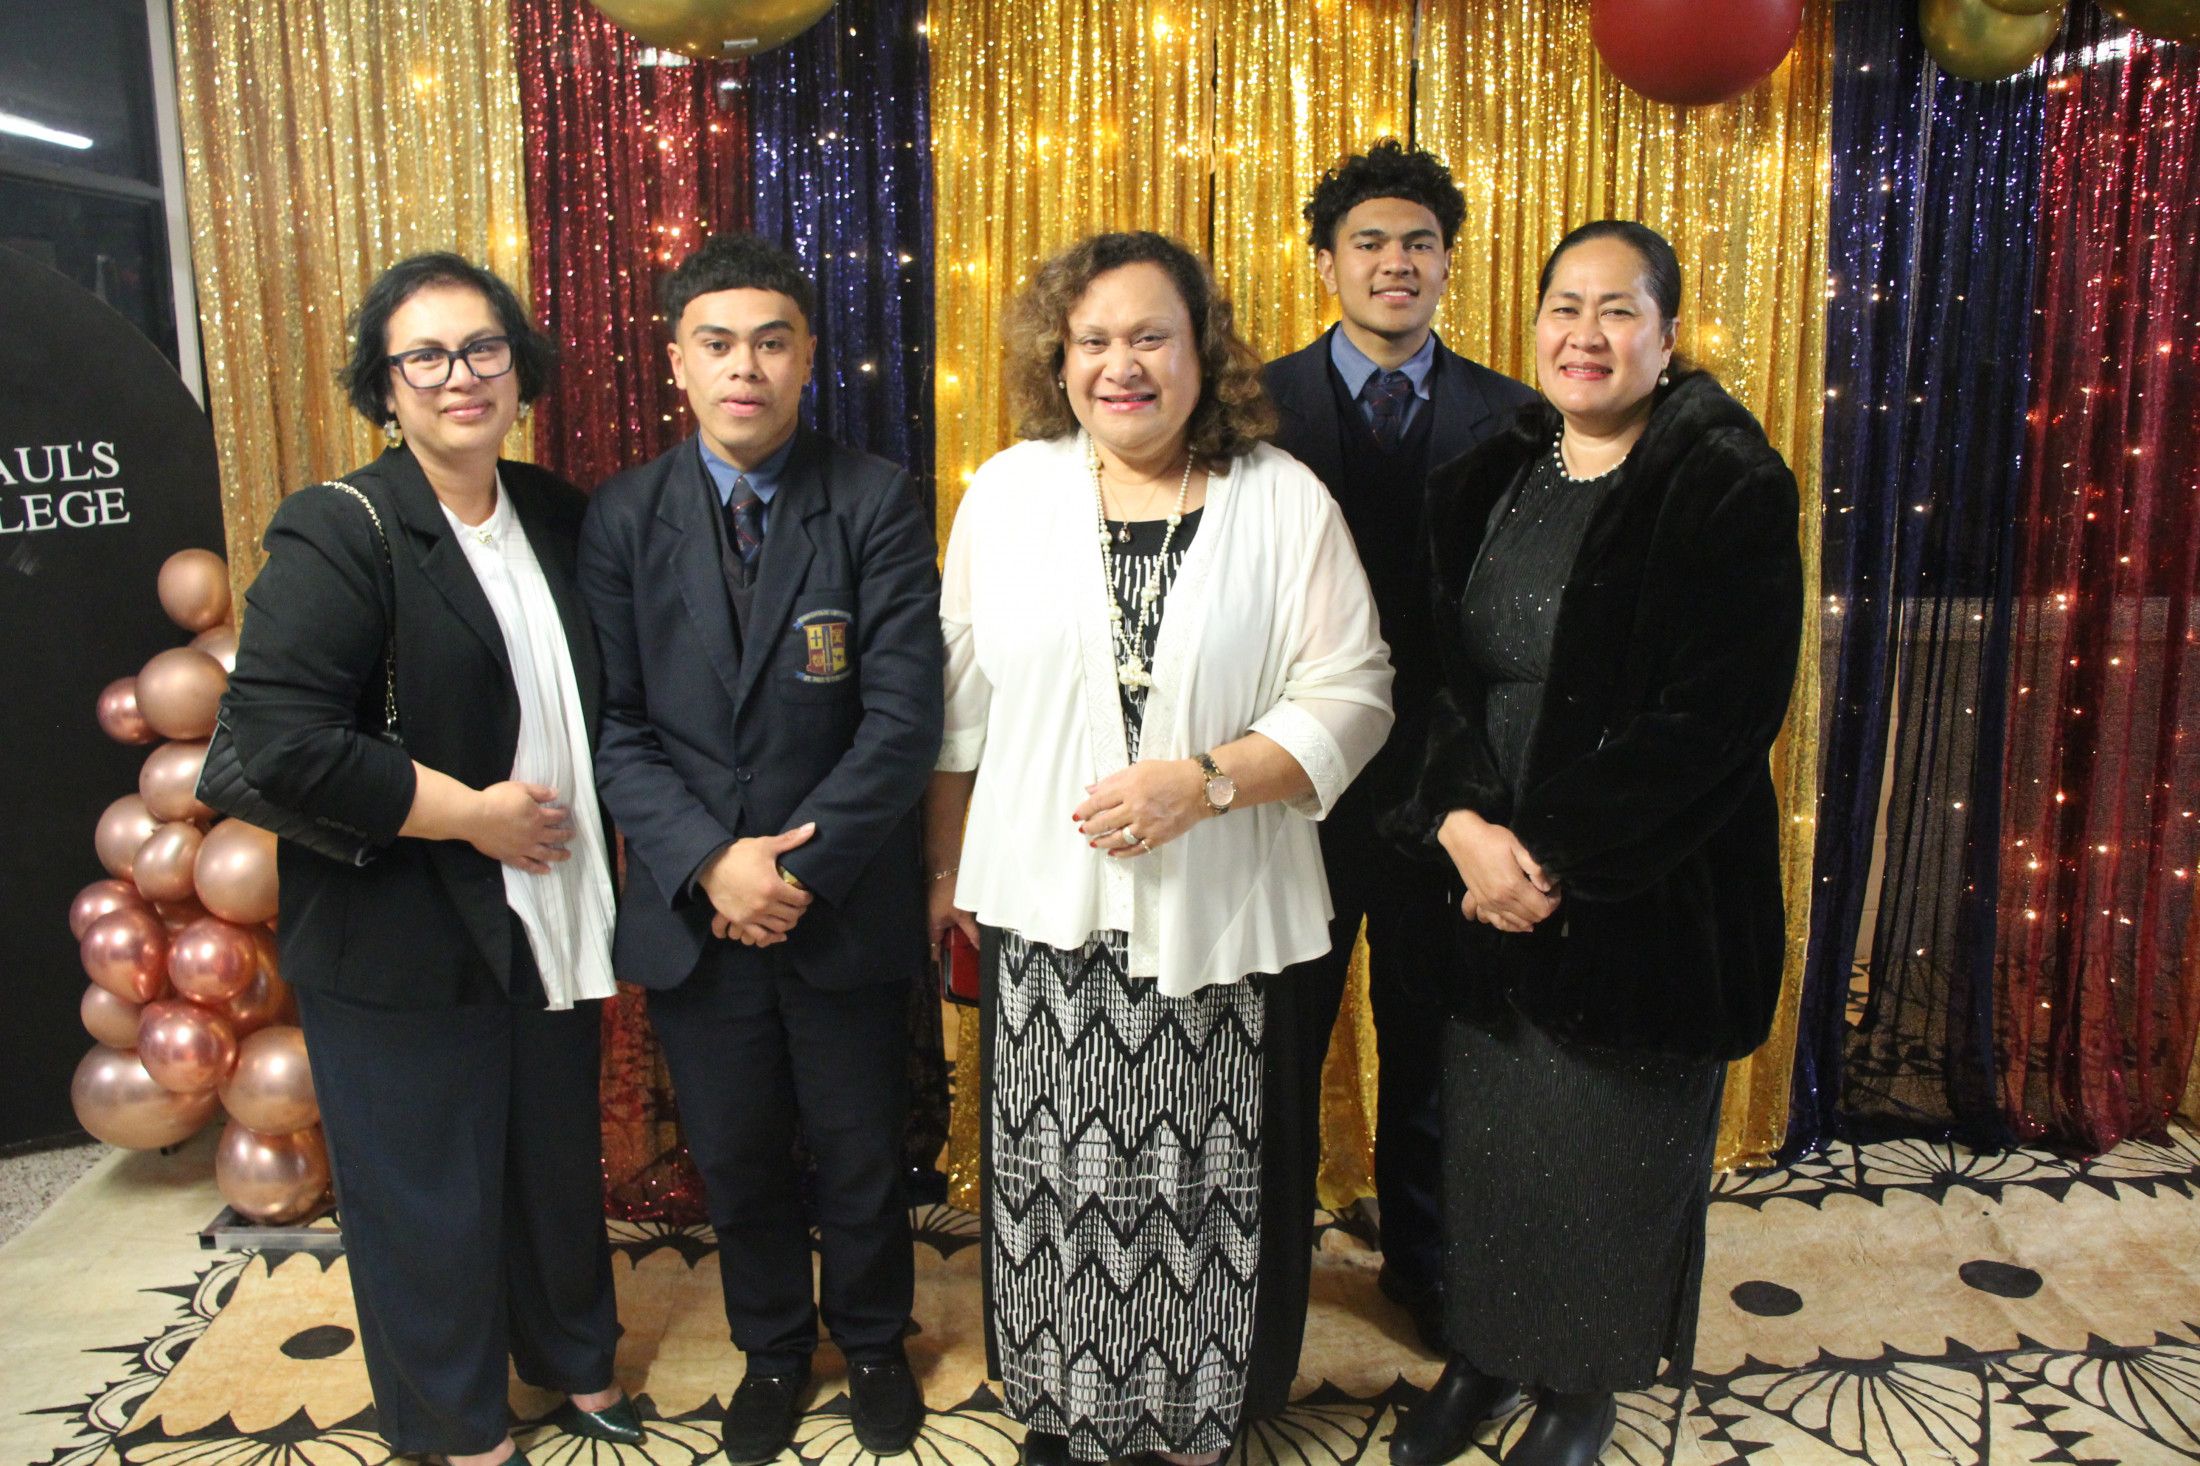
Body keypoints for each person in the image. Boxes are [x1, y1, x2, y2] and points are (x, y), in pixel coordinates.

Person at [924, 231, 1394, 1466]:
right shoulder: (1007, 493)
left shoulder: (1282, 499)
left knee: (1203, 1185)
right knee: (1049, 1181)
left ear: (1202, 354)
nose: (1119, 364)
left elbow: (1355, 691)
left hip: (1220, 906)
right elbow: (956, 709)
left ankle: (1192, 1421)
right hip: (1045, 907)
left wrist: (1208, 781)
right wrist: (943, 869)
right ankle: (1066, 1410)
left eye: (1149, 336)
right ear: (1058, 358)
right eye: (1092, 340)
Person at [1383, 220, 1803, 1466]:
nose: (1585, 334)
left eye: (1618, 310)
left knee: (1605, 1154)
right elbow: (1432, 675)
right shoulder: (1486, 475)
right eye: (1564, 306)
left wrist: (1546, 854)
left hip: (1644, 894)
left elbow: (1717, 717)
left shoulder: (1724, 479)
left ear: (1666, 337)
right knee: (1495, 1151)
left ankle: (1582, 1385)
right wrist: (1461, 826)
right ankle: (1485, 1351)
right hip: (1482, 880)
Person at [224, 254, 636, 1466]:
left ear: (519, 366)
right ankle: (456, 1421)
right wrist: (469, 815)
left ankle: (573, 1356)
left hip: (547, 905)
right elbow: (281, 740)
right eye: (426, 355)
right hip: (401, 921)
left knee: (548, 1161)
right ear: (385, 384)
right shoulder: (339, 527)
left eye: (483, 348)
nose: (460, 376)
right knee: (425, 1191)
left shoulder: (554, 510)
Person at [578, 232, 942, 1465]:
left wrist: (789, 870)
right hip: (697, 907)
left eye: (771, 342)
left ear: (808, 358)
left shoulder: (875, 497)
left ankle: (876, 1341)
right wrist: (710, 862)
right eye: (719, 343)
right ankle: (774, 1348)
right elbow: (614, 725)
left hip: (837, 897)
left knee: (860, 1145)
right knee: (735, 1155)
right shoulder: (624, 515)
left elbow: (902, 720)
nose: (747, 366)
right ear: (677, 360)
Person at [1261, 139, 1536, 1348]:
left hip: (1447, 794)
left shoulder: (1514, 414)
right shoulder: (1252, 406)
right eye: (1368, 241)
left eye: (1419, 242)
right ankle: (1264, 1281)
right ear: (1325, 261)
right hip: (1291, 790)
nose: (1395, 262)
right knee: (1275, 1050)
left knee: (1434, 1048)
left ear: (1446, 262)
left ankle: (1425, 1268)